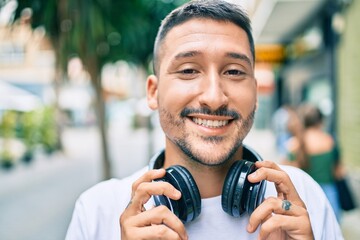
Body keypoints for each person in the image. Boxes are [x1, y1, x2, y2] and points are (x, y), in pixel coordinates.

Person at [65, 1, 343, 239]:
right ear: (153, 92)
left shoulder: (301, 196)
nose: (214, 97)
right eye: (188, 70)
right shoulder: (98, 210)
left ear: (255, 93)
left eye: (234, 72)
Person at [285, 103, 343, 222]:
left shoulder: (294, 144)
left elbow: (289, 175)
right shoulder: (329, 141)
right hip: (329, 194)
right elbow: (338, 172)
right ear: (320, 121)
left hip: (304, 195)